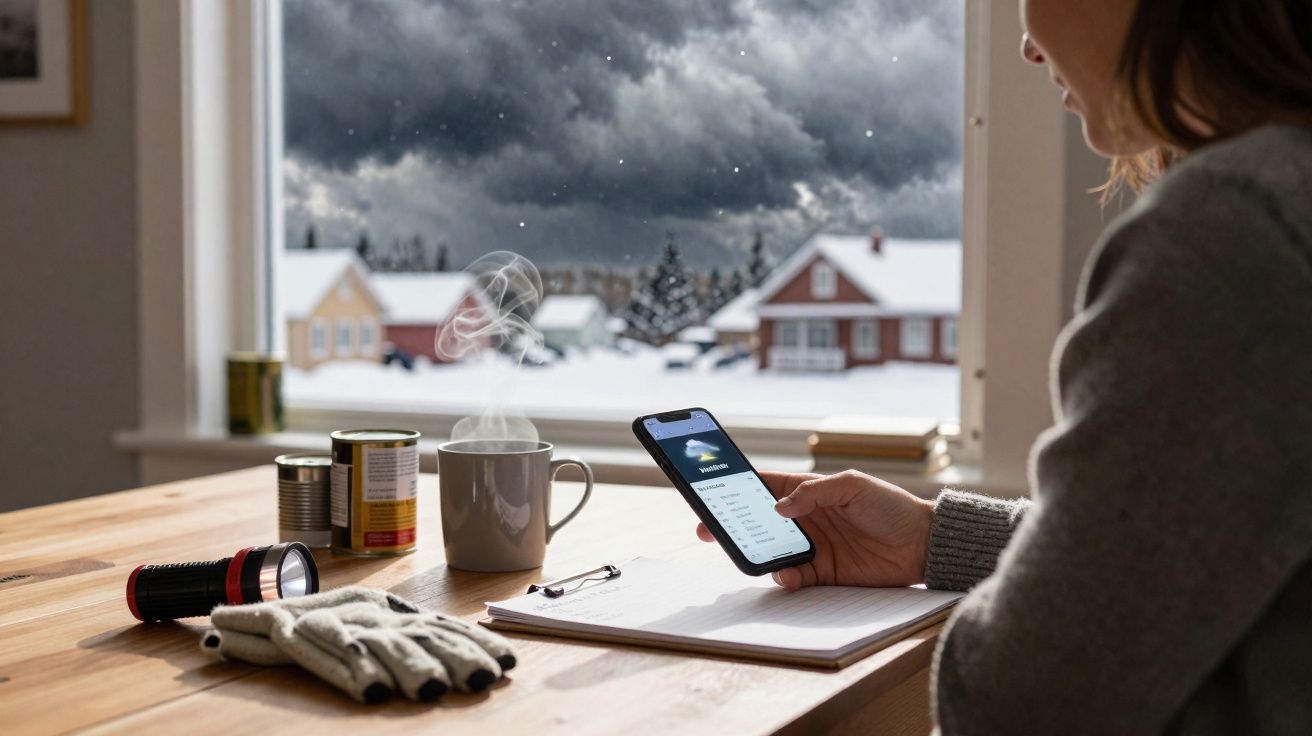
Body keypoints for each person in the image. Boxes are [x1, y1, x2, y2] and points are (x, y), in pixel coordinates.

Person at [698, 1, 1312, 732]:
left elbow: (1019, 701)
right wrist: (929, 537)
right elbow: (1185, 550)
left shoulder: (1233, 237)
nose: (1026, 46)